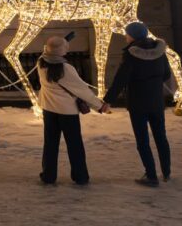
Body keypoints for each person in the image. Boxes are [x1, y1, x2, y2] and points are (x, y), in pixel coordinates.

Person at [104, 21, 173, 187]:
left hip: (138, 103)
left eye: (127, 34)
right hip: (156, 101)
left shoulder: (130, 54)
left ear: (132, 36)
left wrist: (108, 100)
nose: (126, 36)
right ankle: (166, 172)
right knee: (161, 137)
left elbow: (121, 79)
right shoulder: (159, 51)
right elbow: (166, 74)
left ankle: (151, 176)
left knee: (142, 140)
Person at [38, 36, 108, 185]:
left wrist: (56, 44)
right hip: (67, 111)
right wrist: (99, 105)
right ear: (62, 51)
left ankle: (48, 176)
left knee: (50, 144)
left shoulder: (41, 63)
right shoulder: (66, 69)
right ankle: (80, 176)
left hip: (49, 109)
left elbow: (46, 51)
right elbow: (82, 90)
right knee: (74, 144)